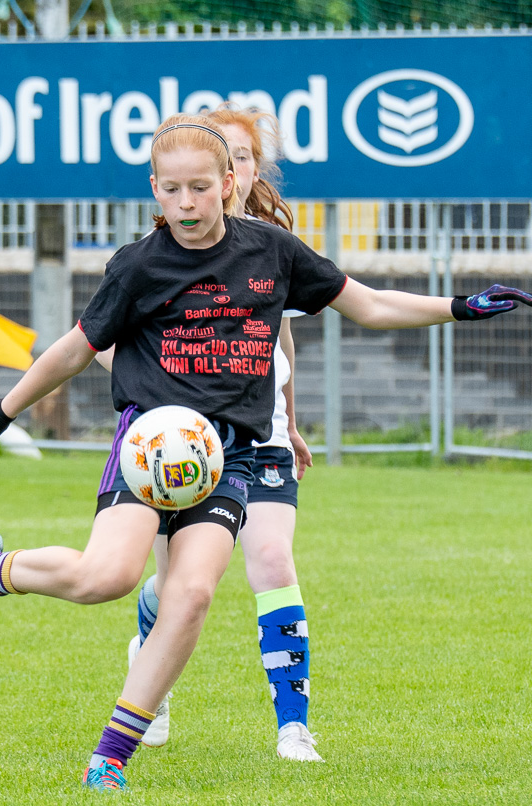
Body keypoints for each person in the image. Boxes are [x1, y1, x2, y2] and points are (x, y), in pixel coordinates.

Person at [0, 113, 532, 792]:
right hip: (148, 445)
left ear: (229, 183)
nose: (186, 203)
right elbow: (72, 349)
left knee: (194, 593)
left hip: (228, 456)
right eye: (171, 189)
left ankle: (109, 758)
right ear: (154, 188)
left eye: (200, 187)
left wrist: (460, 307)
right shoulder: (138, 266)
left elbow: (370, 306)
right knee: (103, 579)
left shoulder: (272, 253)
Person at [115, 105, 323, 762]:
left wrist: (290, 416)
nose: (224, 169)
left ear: (247, 171)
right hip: (184, 441)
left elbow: (277, 335)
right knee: (177, 589)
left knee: (270, 560)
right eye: (217, 156)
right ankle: (150, 651)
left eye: (237, 157)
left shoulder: (271, 248)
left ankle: (293, 726)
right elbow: (100, 341)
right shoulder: (167, 248)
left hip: (260, 435)